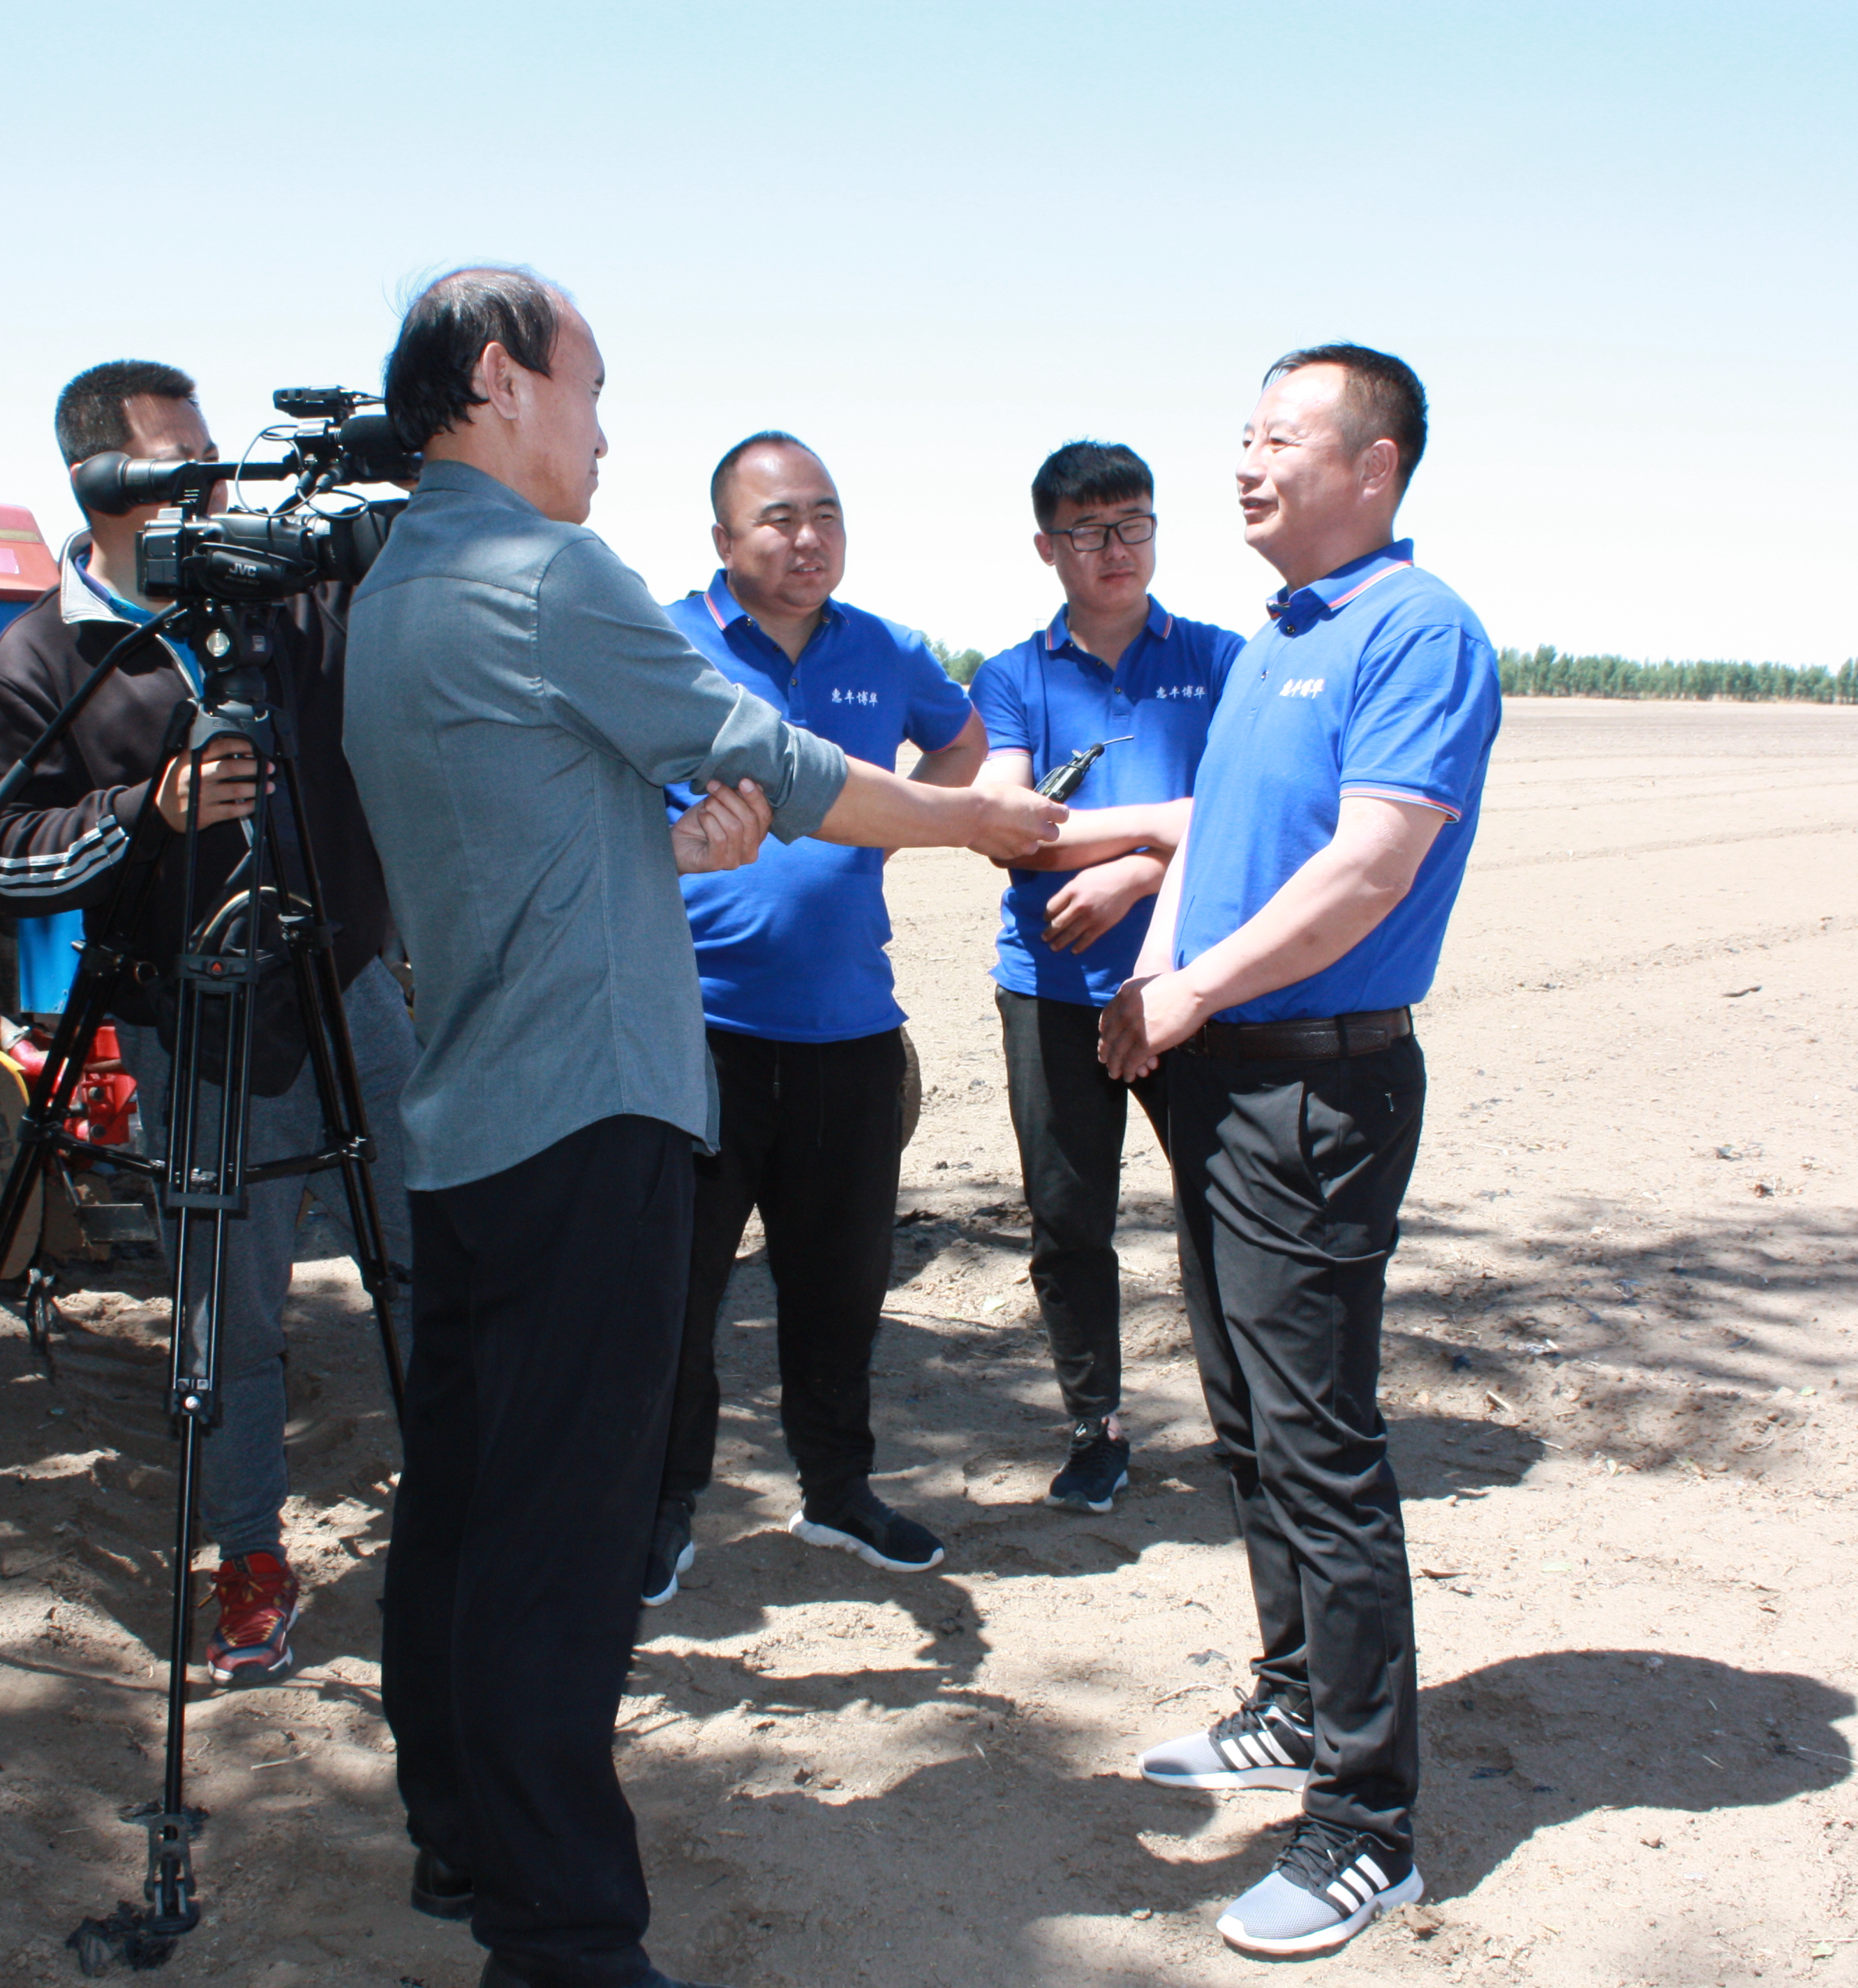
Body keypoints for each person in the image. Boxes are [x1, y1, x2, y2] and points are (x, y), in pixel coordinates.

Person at [341, 267, 1060, 1988]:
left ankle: (457, 1832)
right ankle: (565, 1935)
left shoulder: (398, 583)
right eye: (592, 389)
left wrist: (660, 857)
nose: (603, 431)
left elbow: (505, 848)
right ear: (504, 380)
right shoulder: (545, 569)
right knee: (561, 1548)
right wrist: (978, 818)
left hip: (473, 1115)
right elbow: (782, 757)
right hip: (587, 1110)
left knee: (459, 1503)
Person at [1102, 346, 1500, 1959]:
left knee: (1324, 1444)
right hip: (1224, 1075)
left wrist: (1190, 983)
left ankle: (1366, 1824)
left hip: (1315, 1093)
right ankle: (1290, 1699)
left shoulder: (1419, 629)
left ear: (1377, 464)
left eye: (1281, 439)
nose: (1247, 464)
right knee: (1251, 1422)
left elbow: (1369, 866)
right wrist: (1158, 945)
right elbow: (1222, 828)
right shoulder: (1285, 634)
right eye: (1243, 437)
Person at [0, 359, 417, 1689]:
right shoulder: (41, 653)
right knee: (230, 1309)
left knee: (427, 1253)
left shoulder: (289, 607)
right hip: (192, 1019)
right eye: (179, 462)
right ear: (101, 481)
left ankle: (467, 1501)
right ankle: (248, 1557)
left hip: (347, 993)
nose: (211, 485)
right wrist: (144, 812)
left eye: (214, 455)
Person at [644, 432, 990, 1607]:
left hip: (849, 1034)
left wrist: (919, 812)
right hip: (695, 1034)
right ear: (723, 541)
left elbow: (959, 742)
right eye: (781, 518)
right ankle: (662, 1510)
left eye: (828, 516)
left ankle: (838, 1491)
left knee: (839, 1289)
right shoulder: (662, 645)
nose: (809, 539)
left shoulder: (886, 649)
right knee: (675, 1295)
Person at [969, 441, 1246, 1512]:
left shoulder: (1221, 663)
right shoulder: (1013, 677)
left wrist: (1135, 870)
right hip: (1049, 990)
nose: (1115, 549)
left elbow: (1254, 815)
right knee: (1067, 1221)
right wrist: (1173, 822)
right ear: (1048, 547)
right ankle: (1097, 1427)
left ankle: (1248, 1425)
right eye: (1088, 530)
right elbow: (1010, 832)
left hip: (1193, 989)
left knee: (1224, 1213)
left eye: (1133, 524)